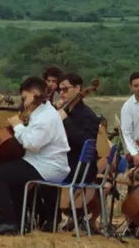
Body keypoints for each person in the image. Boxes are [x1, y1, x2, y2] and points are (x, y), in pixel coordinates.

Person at [0, 76, 70, 236]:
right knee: (11, 174)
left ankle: (8, 221)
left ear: (35, 93)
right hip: (40, 162)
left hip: (48, 166)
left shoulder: (46, 116)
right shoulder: (41, 112)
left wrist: (18, 126)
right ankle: (19, 222)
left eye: (25, 98)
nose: (24, 102)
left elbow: (32, 143)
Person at [35, 72, 101, 231]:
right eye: (60, 90)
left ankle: (51, 218)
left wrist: (65, 120)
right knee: (32, 170)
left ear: (77, 88)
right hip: (65, 161)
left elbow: (85, 141)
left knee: (43, 173)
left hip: (81, 167)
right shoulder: (64, 111)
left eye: (65, 89)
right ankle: (44, 215)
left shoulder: (88, 115)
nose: (61, 93)